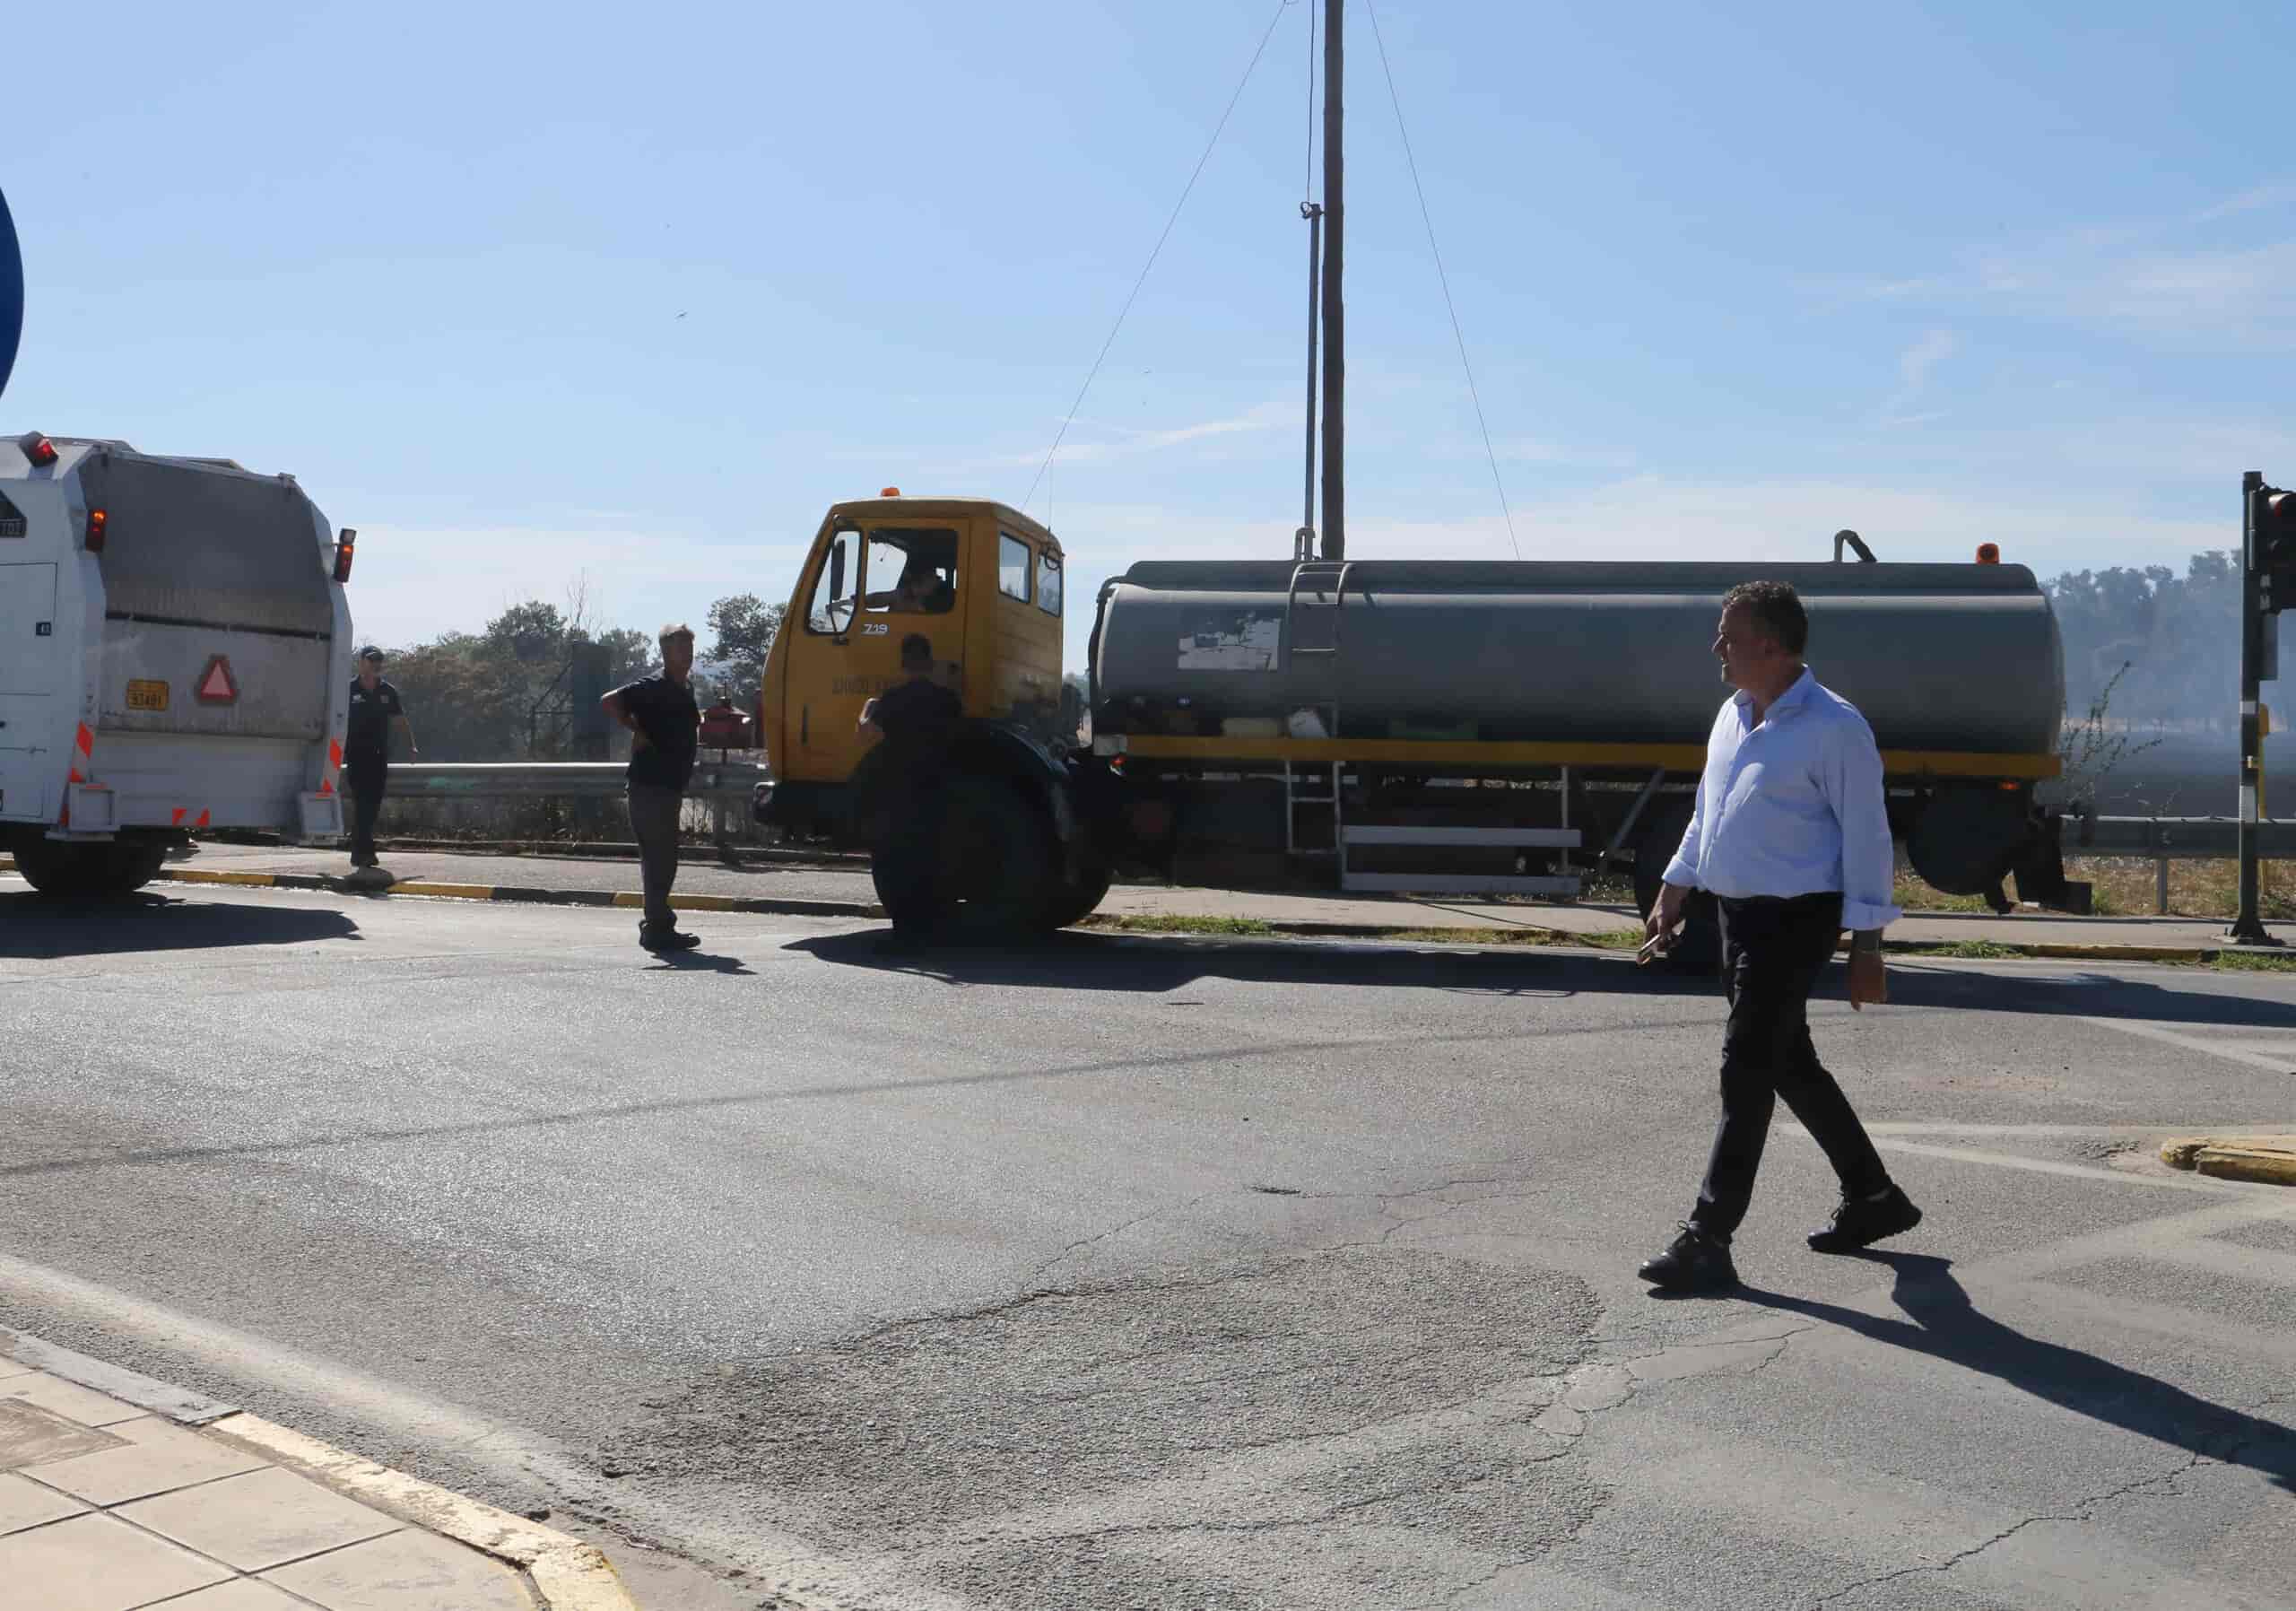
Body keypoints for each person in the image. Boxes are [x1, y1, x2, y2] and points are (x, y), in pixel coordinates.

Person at [1638, 579, 1921, 1293]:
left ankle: (1708, 1237)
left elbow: (1868, 837)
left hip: (1795, 921)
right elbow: (1709, 809)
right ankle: (1874, 1196)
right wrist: (1675, 886)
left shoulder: (1834, 727)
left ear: (1770, 645)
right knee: (1788, 1064)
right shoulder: (1733, 715)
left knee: (1745, 1068)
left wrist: (1867, 946)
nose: (1717, 648)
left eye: (1728, 637)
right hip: (1735, 917)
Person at [602, 624, 703, 952]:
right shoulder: (654, 686)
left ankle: (657, 926)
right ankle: (657, 928)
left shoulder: (684, 687)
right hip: (650, 786)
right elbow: (609, 702)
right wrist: (637, 729)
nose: (687, 653)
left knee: (663, 859)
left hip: (668, 786)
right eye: (680, 647)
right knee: (660, 859)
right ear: (665, 652)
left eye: (689, 647)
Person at [859, 633, 963, 948]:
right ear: (929, 663)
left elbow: (866, 734)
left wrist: (867, 708)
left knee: (895, 862)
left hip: (898, 790)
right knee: (930, 858)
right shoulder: (948, 700)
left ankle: (904, 932)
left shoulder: (892, 699)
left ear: (903, 663)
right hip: (936, 788)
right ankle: (930, 929)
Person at [343, 647, 416, 869]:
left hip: (379, 755)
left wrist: (411, 745)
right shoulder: (348, 689)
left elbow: (400, 720)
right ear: (361, 662)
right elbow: (335, 717)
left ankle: (360, 851)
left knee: (373, 805)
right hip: (356, 754)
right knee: (362, 802)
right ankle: (364, 852)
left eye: (378, 661)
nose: (375, 664)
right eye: (371, 660)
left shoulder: (387, 691)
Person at [864, 555, 955, 614]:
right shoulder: (906, 595)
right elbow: (881, 598)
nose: (910, 586)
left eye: (917, 582)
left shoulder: (945, 597)